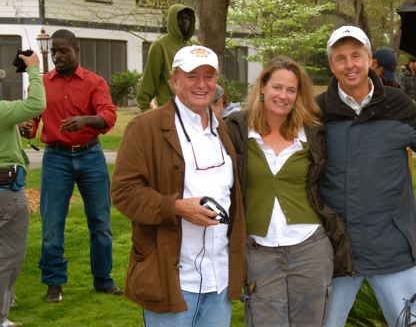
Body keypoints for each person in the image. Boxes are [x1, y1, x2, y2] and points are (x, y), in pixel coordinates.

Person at [317, 25, 416, 326]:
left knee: (409, 323)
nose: (350, 65)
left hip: (390, 246)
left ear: (370, 59)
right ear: (331, 65)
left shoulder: (395, 103)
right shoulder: (317, 110)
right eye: (340, 58)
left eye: (356, 56)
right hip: (335, 248)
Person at [111, 45, 246, 327]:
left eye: (208, 76)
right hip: (173, 278)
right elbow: (123, 193)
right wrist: (175, 207)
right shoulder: (145, 127)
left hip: (218, 278)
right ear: (174, 80)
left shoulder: (220, 128)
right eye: (191, 76)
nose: (201, 84)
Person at [226, 57, 349, 326]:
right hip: (259, 252)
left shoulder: (313, 133)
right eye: (277, 87)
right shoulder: (236, 130)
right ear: (263, 88)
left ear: (298, 95)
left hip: (310, 249)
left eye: (290, 90)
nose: (283, 95)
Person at [27, 29, 120, 303]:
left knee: (100, 223)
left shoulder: (94, 82)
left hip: (90, 156)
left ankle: (103, 280)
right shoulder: (41, 84)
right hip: (56, 158)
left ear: (76, 51)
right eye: (54, 51)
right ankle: (54, 284)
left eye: (63, 50)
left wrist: (86, 120)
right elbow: (31, 122)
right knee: (52, 224)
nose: (57, 55)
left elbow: (108, 115)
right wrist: (25, 127)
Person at [0, 52, 46, 327]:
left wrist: (13, 127)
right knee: (8, 255)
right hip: (6, 193)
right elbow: (37, 103)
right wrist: (34, 69)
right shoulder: (2, 110)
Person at [137, 4, 199, 112]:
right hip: (170, 110)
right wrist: (144, 109)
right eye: (180, 18)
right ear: (172, 21)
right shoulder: (160, 46)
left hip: (194, 110)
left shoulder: (196, 47)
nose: (184, 21)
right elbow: (150, 79)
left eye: (187, 18)